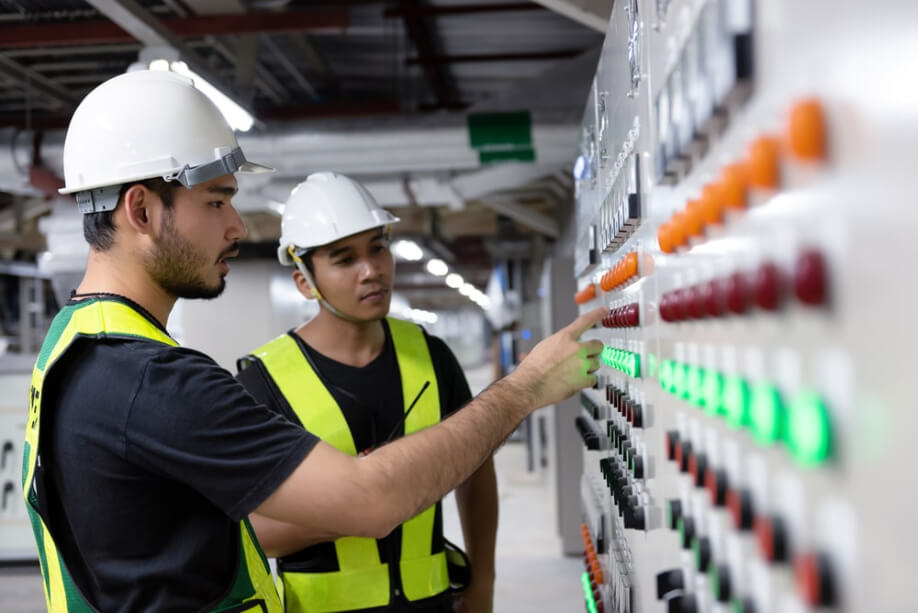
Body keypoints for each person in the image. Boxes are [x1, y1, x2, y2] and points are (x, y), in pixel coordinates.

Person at [23, 69, 604, 612]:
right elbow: (371, 500)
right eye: (217, 202)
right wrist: (525, 387)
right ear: (142, 210)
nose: (238, 227)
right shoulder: (154, 382)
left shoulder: (72, 348)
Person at [235, 172, 497, 613]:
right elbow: (249, 532)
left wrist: (483, 582)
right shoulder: (263, 383)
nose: (371, 270)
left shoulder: (432, 358)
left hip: (432, 602)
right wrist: (360, 503)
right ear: (304, 280)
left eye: (378, 248)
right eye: (344, 259)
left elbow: (475, 472)